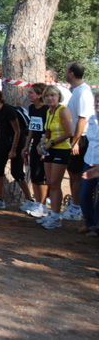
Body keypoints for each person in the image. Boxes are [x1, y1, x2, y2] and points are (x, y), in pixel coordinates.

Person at [0, 87, 34, 211]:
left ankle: (29, 200)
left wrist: (14, 149)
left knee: (16, 172)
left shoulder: (8, 110)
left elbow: (18, 131)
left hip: (17, 142)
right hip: (3, 141)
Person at [36, 85, 73, 229]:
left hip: (61, 149)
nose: (50, 98)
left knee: (55, 183)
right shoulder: (49, 112)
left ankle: (56, 216)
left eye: (53, 95)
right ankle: (52, 215)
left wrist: (51, 143)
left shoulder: (62, 111)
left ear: (58, 97)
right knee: (50, 183)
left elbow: (69, 132)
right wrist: (41, 144)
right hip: (50, 149)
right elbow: (47, 132)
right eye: (47, 96)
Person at [62, 62, 95, 221]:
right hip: (76, 136)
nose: (65, 73)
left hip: (81, 137)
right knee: (73, 173)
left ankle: (76, 208)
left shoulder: (83, 92)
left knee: (76, 175)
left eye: (66, 71)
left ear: (72, 74)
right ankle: (75, 205)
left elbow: (83, 119)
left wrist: (75, 142)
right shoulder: (76, 91)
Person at [21, 84, 49, 217]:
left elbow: (47, 130)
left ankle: (43, 205)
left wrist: (43, 145)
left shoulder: (46, 109)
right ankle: (37, 203)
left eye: (31, 93)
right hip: (34, 144)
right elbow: (32, 128)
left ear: (39, 95)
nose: (28, 95)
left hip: (44, 145)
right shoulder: (32, 108)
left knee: (41, 176)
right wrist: (27, 145)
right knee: (34, 175)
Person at [79, 91, 99, 235]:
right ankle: (89, 222)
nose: (97, 104)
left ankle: (96, 226)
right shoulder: (92, 118)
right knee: (84, 193)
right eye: (97, 101)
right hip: (89, 160)